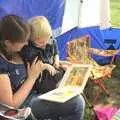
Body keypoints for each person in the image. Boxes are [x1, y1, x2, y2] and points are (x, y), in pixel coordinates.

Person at [0, 14, 85, 120]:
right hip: (24, 104)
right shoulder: (2, 64)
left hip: (40, 89)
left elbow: (39, 61)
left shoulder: (19, 49)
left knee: (74, 93)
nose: (27, 43)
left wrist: (58, 63)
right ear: (8, 43)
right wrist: (32, 78)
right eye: (23, 41)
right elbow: (10, 107)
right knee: (77, 103)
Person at [21, 16, 69, 93]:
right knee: (47, 83)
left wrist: (56, 60)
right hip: (41, 73)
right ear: (31, 38)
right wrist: (46, 66)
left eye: (46, 40)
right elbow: (35, 65)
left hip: (51, 65)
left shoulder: (49, 40)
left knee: (66, 69)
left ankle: (61, 82)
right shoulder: (29, 49)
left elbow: (56, 51)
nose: (44, 44)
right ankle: (56, 87)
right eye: (40, 42)